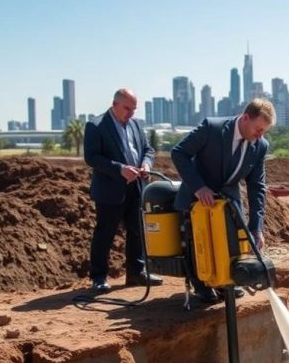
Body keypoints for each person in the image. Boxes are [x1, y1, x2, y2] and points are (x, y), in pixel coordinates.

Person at [171, 99, 275, 303]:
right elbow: (179, 153)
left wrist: (257, 228)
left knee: (232, 242)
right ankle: (202, 285)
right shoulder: (212, 128)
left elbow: (257, 188)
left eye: (264, 132)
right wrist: (199, 187)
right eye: (258, 129)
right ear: (245, 118)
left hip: (229, 203)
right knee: (199, 243)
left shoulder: (260, 146)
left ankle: (226, 283)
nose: (260, 136)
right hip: (196, 200)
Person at [84, 88, 162, 293]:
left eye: (134, 109)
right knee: (105, 232)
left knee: (137, 231)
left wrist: (146, 164)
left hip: (136, 187)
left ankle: (136, 273)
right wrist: (120, 169)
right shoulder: (96, 125)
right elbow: (91, 157)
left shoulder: (136, 125)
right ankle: (99, 277)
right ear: (114, 104)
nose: (131, 113)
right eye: (127, 108)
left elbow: (148, 150)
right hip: (110, 189)